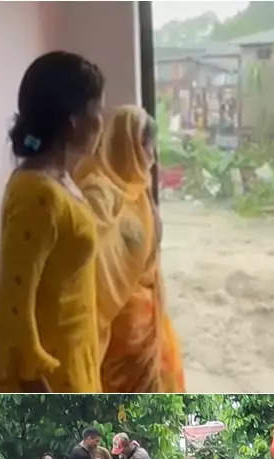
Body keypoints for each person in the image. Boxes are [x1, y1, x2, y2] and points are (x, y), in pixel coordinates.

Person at [0, 51, 105, 393]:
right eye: (98, 111)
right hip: (52, 377)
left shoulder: (61, 180)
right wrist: (37, 387)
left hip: (76, 356)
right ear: (74, 122)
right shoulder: (36, 195)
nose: (103, 122)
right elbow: (16, 304)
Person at [75, 105, 184, 392]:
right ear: (131, 148)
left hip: (148, 317)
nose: (152, 158)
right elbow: (87, 256)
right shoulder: (97, 192)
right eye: (148, 149)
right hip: (121, 322)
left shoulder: (140, 191)